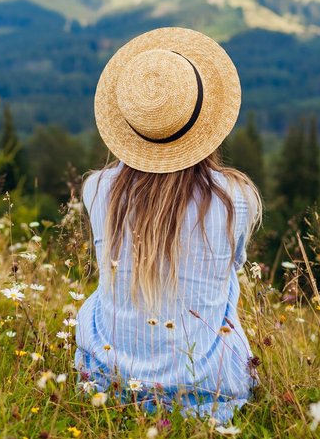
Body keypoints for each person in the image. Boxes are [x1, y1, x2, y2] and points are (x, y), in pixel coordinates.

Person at [75, 27, 262, 424]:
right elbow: (234, 267)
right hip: (205, 395)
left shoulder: (97, 188)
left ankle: (133, 368)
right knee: (225, 279)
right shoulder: (234, 199)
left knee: (103, 291)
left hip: (108, 387)